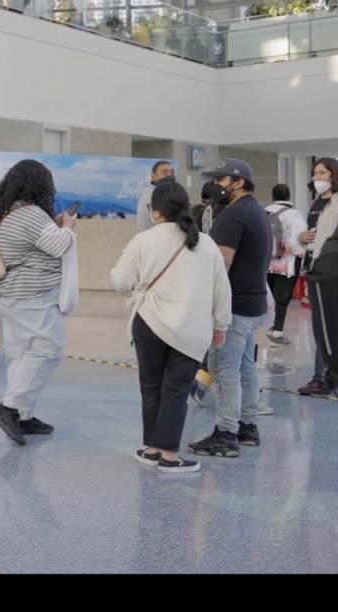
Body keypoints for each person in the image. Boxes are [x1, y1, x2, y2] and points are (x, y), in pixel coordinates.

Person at [112, 181, 232, 474]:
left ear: (155, 212)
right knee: (176, 391)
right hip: (191, 331)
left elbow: (120, 282)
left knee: (151, 388)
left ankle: (152, 450)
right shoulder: (206, 243)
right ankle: (169, 456)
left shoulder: (143, 240)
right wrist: (221, 325)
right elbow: (222, 289)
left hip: (149, 323)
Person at [0, 159, 75, 446]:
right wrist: (68, 227)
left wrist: (55, 227)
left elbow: (41, 240)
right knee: (49, 348)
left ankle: (23, 414)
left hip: (10, 294)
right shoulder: (30, 213)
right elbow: (60, 245)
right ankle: (11, 407)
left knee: (21, 353)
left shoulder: (8, 212)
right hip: (30, 295)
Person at [187, 158, 272, 459]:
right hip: (253, 304)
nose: (215, 186)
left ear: (238, 182)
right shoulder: (256, 211)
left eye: (221, 180)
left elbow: (221, 265)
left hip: (233, 306)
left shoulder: (234, 215)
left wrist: (206, 303)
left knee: (223, 370)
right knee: (246, 367)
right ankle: (248, 427)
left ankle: (226, 433)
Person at [296, 157, 338, 396]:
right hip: (313, 270)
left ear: (334, 175)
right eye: (314, 174)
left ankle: (323, 378)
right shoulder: (314, 204)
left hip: (332, 272)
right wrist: (302, 237)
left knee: (327, 326)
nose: (317, 178)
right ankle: (328, 375)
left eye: (321, 173)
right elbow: (312, 234)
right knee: (320, 326)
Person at [264, 183, 305, 345]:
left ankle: (271, 325)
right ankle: (277, 332)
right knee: (282, 299)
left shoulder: (265, 211)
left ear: (272, 197)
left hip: (267, 261)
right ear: (288, 197)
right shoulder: (294, 214)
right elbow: (299, 240)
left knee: (272, 297)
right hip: (286, 263)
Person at [136, 160, 177, 233]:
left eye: (172, 173)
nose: (170, 176)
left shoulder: (165, 194)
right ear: (154, 176)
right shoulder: (152, 196)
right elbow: (161, 223)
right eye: (165, 173)